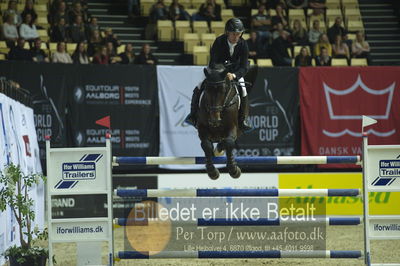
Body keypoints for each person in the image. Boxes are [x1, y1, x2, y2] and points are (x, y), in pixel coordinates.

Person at [185, 18, 252, 131]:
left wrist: (234, 75)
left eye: (238, 34)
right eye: (234, 34)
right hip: (216, 70)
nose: (236, 37)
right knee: (199, 85)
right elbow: (214, 61)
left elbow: (244, 67)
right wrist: (222, 72)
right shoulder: (219, 41)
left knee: (243, 90)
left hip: (235, 72)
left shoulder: (243, 44)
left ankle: (243, 120)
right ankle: (193, 115)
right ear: (227, 32)